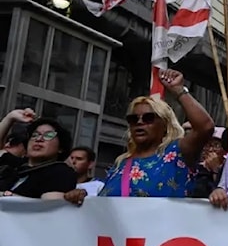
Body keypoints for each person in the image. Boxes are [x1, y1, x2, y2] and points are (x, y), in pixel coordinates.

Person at [64, 70, 214, 203]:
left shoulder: (177, 153)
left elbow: (205, 127)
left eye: (148, 118)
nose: (140, 122)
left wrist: (179, 91)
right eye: (133, 119)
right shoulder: (121, 164)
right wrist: (82, 198)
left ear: (164, 124)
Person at [0, 111, 76, 199]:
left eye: (49, 135)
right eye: (35, 135)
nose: (39, 139)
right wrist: (10, 118)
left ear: (61, 148)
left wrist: (5, 195)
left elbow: (49, 207)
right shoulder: (18, 166)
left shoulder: (61, 172)